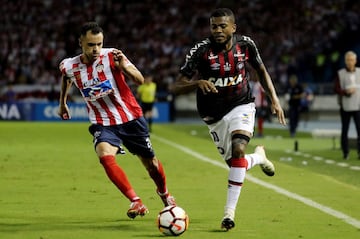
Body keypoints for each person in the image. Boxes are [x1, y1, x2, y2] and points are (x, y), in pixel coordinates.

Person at [171, 8, 286, 230]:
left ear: (233, 27)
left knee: (238, 150)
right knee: (236, 164)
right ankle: (260, 157)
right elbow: (175, 86)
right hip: (213, 115)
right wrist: (196, 83)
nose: (218, 30)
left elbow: (262, 71)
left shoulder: (246, 45)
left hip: (241, 104)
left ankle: (228, 214)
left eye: (223, 26)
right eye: (214, 26)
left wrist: (275, 99)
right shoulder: (200, 51)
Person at [57, 22, 176, 219]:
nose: (96, 49)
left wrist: (124, 68)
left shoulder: (113, 55)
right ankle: (135, 201)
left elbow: (139, 79)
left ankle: (164, 193)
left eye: (99, 44)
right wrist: (63, 102)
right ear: (81, 43)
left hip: (130, 118)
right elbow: (66, 78)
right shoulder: (69, 65)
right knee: (104, 155)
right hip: (102, 121)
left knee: (151, 164)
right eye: (91, 45)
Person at [334, 50, 360, 160]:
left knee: (359, 129)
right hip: (345, 106)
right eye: (348, 60)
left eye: (352, 60)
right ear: (345, 61)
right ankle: (345, 152)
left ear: (355, 61)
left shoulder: (359, 72)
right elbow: (336, 88)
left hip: (358, 106)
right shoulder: (340, 73)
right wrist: (345, 92)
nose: (350, 62)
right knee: (345, 130)